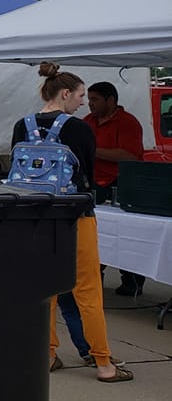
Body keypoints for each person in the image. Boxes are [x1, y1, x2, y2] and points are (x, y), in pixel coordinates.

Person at [12, 62, 131, 382]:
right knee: (88, 292)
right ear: (65, 93)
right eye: (79, 95)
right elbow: (88, 175)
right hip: (74, 216)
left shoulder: (22, 125)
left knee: (44, 289)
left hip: (34, 218)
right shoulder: (78, 128)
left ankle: (47, 353)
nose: (82, 102)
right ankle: (103, 362)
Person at [85, 81, 146, 296]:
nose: (89, 103)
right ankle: (94, 277)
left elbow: (130, 156)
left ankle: (132, 280)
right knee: (95, 231)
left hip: (120, 183)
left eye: (95, 99)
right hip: (93, 183)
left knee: (126, 232)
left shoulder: (128, 123)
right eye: (89, 99)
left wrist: (93, 150)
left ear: (110, 100)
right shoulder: (88, 121)